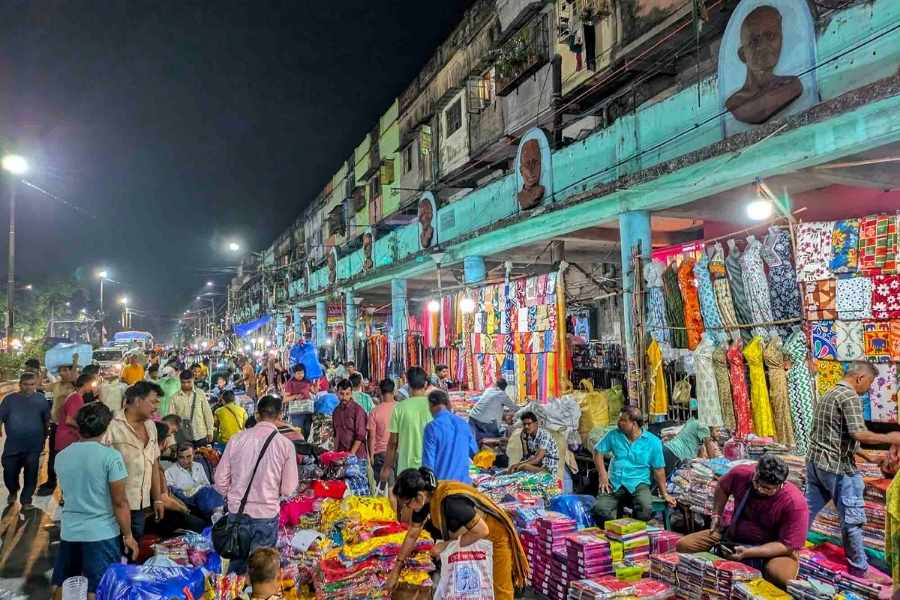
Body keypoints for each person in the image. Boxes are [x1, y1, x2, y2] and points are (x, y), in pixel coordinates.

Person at [806, 362, 900, 580]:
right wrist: (890, 438)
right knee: (852, 520)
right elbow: (858, 433)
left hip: (816, 464)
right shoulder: (849, 396)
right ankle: (859, 568)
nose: (869, 389)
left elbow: (838, 434)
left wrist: (868, 456)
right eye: (869, 382)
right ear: (860, 378)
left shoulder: (830, 393)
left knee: (807, 510)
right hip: (837, 468)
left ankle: (790, 546)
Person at [386, 467, 529, 600]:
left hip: (494, 537)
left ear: (418, 497)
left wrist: (446, 546)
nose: (406, 508)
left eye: (407, 503)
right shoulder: (424, 501)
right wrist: (396, 569)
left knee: (499, 590)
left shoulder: (450, 501)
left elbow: (482, 530)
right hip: (472, 536)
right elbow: (412, 535)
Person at [676, 455, 808, 588]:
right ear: (755, 472)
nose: (759, 489)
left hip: (774, 549)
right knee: (684, 545)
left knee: (781, 577)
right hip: (733, 536)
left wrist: (749, 552)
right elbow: (722, 487)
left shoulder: (794, 502)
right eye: (757, 482)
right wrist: (716, 515)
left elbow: (788, 545)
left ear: (781, 485)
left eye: (767, 488)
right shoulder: (742, 474)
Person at [51, 402, 137, 599]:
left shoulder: (62, 456)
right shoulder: (111, 457)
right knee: (97, 588)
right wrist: (128, 536)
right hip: (101, 534)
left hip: (70, 531)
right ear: (106, 427)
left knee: (66, 584)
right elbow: (120, 502)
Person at [214, 395, 298, 574]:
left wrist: (233, 496)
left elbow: (220, 480)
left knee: (236, 571)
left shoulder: (237, 439)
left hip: (237, 514)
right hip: (266, 517)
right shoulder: (285, 445)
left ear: (257, 415)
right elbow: (288, 489)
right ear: (280, 416)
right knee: (259, 572)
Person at [104, 381, 167, 542]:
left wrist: (157, 498)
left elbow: (153, 464)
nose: (156, 407)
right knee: (115, 552)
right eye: (153, 401)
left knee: (133, 550)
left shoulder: (151, 426)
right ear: (138, 400)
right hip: (114, 506)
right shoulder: (111, 425)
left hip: (141, 507)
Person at [592, 407, 675, 524]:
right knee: (600, 509)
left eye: (623, 420)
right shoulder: (613, 435)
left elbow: (659, 470)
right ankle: (613, 534)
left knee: (645, 509)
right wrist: (603, 475)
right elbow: (597, 451)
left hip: (638, 483)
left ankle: (633, 534)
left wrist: (664, 493)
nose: (618, 422)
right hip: (614, 482)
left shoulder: (653, 442)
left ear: (634, 424)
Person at [724, 5, 803, 124]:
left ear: (781, 39)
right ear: (742, 54)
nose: (763, 46)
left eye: (770, 36)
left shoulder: (791, 85)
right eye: (754, 41)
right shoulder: (735, 103)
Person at [0, 372, 50, 509]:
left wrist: (45, 437)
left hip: (34, 445)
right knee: (9, 471)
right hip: (13, 445)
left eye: (32, 384)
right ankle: (12, 490)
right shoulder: (9, 400)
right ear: (20, 384)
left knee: (31, 473)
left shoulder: (41, 400)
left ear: (36, 385)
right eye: (25, 384)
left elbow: (46, 420)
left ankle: (26, 500)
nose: (28, 387)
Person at [381, 367, 433, 484]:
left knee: (407, 501)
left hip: (406, 468)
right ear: (425, 384)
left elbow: (393, 443)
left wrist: (387, 468)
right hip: (430, 467)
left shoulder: (400, 408)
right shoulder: (433, 406)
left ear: (408, 384)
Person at [37, 361, 78, 496]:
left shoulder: (76, 387)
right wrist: (43, 371)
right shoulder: (56, 385)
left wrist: (75, 360)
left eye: (66, 370)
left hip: (71, 427)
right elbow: (39, 386)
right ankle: (51, 482)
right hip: (56, 425)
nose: (62, 373)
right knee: (53, 456)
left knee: (70, 459)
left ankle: (67, 491)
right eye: (61, 370)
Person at [422, 389, 477, 483]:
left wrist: (429, 489)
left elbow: (428, 464)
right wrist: (474, 478)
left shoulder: (432, 428)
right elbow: (474, 454)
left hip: (444, 487)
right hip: (465, 486)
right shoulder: (463, 423)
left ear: (431, 405)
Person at [165, 443, 224, 522]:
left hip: (206, 499)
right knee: (206, 492)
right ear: (177, 456)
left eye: (189, 457)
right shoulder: (169, 472)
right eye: (181, 457)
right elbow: (171, 494)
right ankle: (218, 517)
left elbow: (207, 484)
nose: (185, 461)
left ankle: (219, 516)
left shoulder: (198, 466)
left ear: (193, 455)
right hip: (189, 502)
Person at [55, 373, 98, 455]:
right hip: (67, 439)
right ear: (85, 384)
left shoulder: (75, 396)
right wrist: (85, 428)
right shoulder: (76, 398)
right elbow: (69, 420)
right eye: (91, 384)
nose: (92, 387)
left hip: (66, 439)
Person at [170, 369, 214, 447]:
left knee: (200, 458)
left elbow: (207, 413)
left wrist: (210, 431)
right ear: (180, 381)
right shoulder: (174, 397)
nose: (186, 385)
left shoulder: (200, 394)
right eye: (183, 382)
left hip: (200, 435)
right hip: (183, 437)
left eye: (189, 382)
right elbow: (172, 419)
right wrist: (172, 438)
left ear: (193, 380)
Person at [508, 411, 559, 476]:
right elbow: (527, 456)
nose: (526, 426)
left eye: (529, 424)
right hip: (538, 466)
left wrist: (518, 465)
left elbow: (537, 459)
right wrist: (523, 441)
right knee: (514, 469)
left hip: (548, 469)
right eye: (524, 424)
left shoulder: (544, 435)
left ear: (536, 424)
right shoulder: (528, 436)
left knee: (523, 467)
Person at [468, 377, 518, 443]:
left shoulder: (488, 390)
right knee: (496, 435)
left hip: (472, 417)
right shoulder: (502, 394)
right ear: (504, 388)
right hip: (484, 422)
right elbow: (515, 408)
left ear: (495, 385)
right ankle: (483, 438)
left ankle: (478, 437)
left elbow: (489, 404)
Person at [367, 379, 397, 484]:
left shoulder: (374, 412)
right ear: (394, 391)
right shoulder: (400, 408)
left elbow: (372, 437)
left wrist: (371, 456)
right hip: (399, 452)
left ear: (380, 391)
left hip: (380, 454)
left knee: (384, 490)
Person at [331, 379, 367, 461]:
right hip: (341, 456)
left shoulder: (358, 410)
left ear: (351, 394)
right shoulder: (336, 411)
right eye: (341, 394)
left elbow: (360, 435)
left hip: (357, 457)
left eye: (347, 394)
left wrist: (351, 454)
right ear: (337, 393)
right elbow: (336, 435)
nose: (344, 397)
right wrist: (335, 454)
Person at [282, 365, 313, 436]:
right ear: (294, 373)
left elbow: (314, 391)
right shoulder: (290, 383)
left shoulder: (307, 381)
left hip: (307, 411)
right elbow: (284, 399)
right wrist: (295, 396)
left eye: (302, 373)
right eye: (298, 373)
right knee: (298, 432)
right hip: (297, 413)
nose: (301, 375)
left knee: (308, 431)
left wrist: (317, 382)